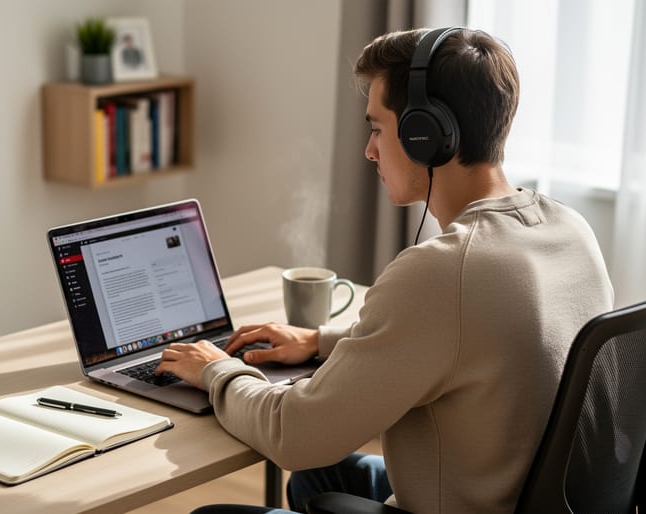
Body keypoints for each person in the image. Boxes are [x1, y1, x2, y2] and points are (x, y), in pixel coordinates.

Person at [156, 27, 613, 513]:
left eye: (377, 129)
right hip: (531, 496)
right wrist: (320, 341)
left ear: (428, 134)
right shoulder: (569, 227)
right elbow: (469, 338)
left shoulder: (442, 272)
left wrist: (217, 371)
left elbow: (293, 434)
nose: (369, 151)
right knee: (323, 476)